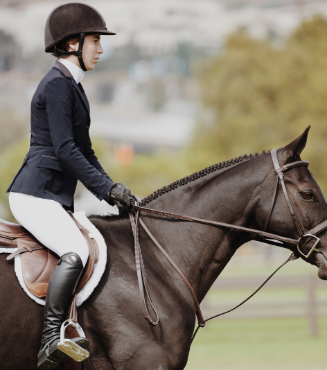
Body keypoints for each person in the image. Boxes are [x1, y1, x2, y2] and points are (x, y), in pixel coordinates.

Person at [6, 3, 134, 369]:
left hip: (51, 195)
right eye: (95, 40)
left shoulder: (73, 88)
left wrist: (114, 189)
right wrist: (107, 191)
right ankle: (50, 340)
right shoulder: (58, 85)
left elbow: (85, 151)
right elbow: (64, 151)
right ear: (72, 43)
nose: (101, 49)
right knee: (76, 249)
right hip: (34, 193)